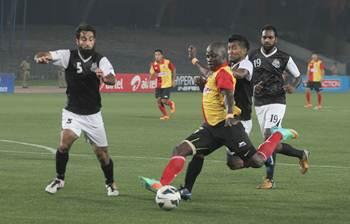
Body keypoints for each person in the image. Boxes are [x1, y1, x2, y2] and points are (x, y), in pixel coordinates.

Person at [139, 42, 298, 194]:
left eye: (213, 56)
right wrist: (196, 65)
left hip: (229, 127)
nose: (209, 58)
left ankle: (278, 135)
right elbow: (210, 84)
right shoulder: (215, 73)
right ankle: (165, 185)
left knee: (257, 161)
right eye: (208, 55)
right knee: (182, 149)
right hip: (210, 128)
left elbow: (227, 93)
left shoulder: (224, 73)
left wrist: (229, 113)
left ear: (223, 58)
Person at [34, 24, 119, 196]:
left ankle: (110, 183)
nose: (87, 42)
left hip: (93, 114)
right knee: (64, 143)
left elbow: (112, 79)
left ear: (94, 41)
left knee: (102, 154)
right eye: (83, 39)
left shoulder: (100, 60)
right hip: (72, 112)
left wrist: (104, 77)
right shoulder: (68, 56)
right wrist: (40, 58)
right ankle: (59, 179)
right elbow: (45, 54)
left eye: (90, 39)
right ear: (77, 40)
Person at [178, 34, 254, 199]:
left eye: (235, 48)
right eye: (229, 48)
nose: (231, 50)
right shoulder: (221, 70)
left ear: (244, 50)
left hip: (236, 121)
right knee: (204, 155)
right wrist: (196, 62)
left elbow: (238, 75)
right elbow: (212, 78)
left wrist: (219, 72)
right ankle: (186, 189)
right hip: (216, 123)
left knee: (248, 162)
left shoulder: (245, 64)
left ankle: (267, 151)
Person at [250, 24, 310, 189]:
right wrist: (253, 87)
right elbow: (247, 78)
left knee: (269, 137)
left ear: (275, 39)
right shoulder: (252, 56)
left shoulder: (284, 57)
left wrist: (293, 86)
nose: (267, 39)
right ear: (261, 39)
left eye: (270, 37)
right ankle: (301, 154)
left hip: (277, 101)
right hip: (260, 103)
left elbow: (298, 76)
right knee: (272, 144)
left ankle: (269, 180)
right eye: (264, 37)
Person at [149, 49, 176, 120]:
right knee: (158, 101)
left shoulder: (167, 62)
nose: (157, 56)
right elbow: (151, 77)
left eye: (158, 54)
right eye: (155, 55)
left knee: (164, 101)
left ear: (162, 55)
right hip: (159, 85)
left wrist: (173, 80)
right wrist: (152, 75)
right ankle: (165, 116)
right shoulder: (153, 65)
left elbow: (174, 70)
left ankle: (171, 103)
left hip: (167, 84)